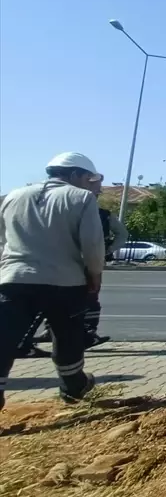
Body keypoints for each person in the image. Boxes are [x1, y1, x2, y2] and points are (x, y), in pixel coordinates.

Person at [0, 152, 106, 410]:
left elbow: (4, 240)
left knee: (4, 337)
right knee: (67, 336)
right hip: (65, 283)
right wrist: (95, 274)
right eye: (87, 178)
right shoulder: (81, 198)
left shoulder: (14, 196)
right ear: (73, 175)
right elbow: (92, 244)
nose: (88, 183)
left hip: (15, 279)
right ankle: (72, 387)